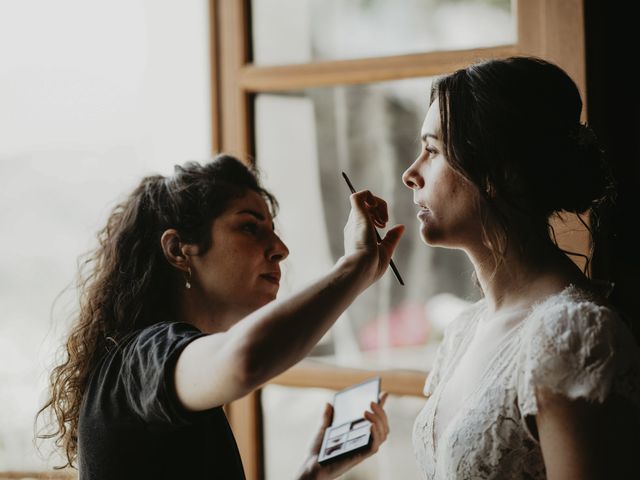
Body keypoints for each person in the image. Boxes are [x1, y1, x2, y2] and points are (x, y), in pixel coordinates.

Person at [37, 154, 404, 479]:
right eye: (249, 227)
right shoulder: (141, 360)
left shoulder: (162, 371)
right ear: (179, 250)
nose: (280, 249)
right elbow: (245, 361)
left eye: (273, 231)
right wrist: (353, 267)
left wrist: (313, 473)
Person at [402, 56, 640, 479]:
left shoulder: (573, 335)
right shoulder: (463, 330)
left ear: (498, 171)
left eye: (433, 150)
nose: (410, 174)